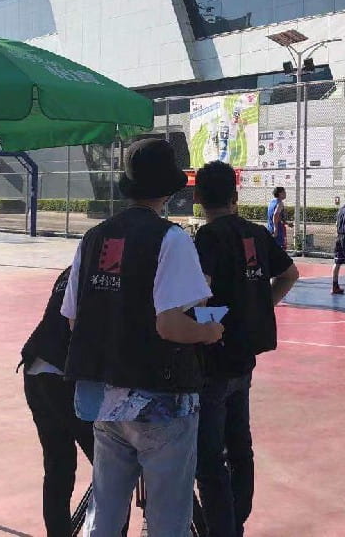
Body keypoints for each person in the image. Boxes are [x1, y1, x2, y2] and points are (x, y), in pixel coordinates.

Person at [61, 139, 224, 537]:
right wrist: (209, 331)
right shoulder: (170, 238)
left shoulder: (94, 238)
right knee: (168, 518)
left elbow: (74, 320)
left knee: (105, 512)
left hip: (105, 396)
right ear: (168, 190)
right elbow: (170, 325)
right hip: (161, 400)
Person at [192, 162, 299, 537]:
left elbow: (200, 292)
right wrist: (261, 305)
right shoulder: (255, 233)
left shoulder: (208, 237)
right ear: (235, 196)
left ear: (198, 197)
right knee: (240, 447)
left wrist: (202, 328)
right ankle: (236, 520)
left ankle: (223, 527)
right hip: (245, 356)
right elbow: (290, 274)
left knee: (209, 458)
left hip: (215, 358)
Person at [21, 267, 109, 537]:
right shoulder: (111, 273)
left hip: (37, 369)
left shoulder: (73, 270)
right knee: (113, 472)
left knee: (58, 468)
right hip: (65, 375)